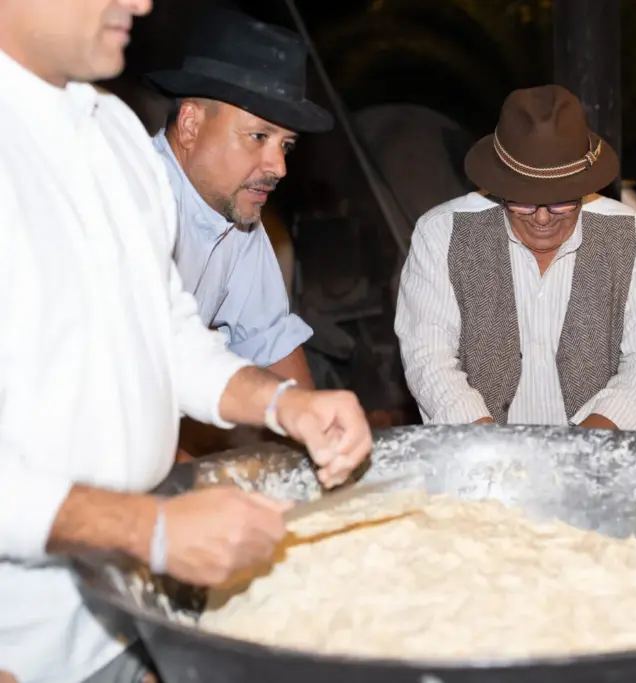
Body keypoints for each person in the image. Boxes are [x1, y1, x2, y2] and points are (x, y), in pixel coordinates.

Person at [0, 1, 373, 682]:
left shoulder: (112, 134)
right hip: (26, 641)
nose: (143, 3)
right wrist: (152, 527)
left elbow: (167, 332)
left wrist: (282, 404)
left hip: (125, 612)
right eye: (258, 136)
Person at [395, 85, 636, 430]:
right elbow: (428, 356)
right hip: (475, 447)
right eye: (523, 200)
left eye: (561, 201)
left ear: (584, 187)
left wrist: (584, 445)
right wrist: (488, 444)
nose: (542, 218)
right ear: (499, 186)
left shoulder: (635, 237)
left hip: (595, 448)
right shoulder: (441, 233)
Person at [144, 7, 329, 390]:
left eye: (286, 145)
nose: (279, 167)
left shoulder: (238, 223)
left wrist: (313, 417)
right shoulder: (134, 198)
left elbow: (269, 340)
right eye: (259, 136)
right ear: (191, 124)